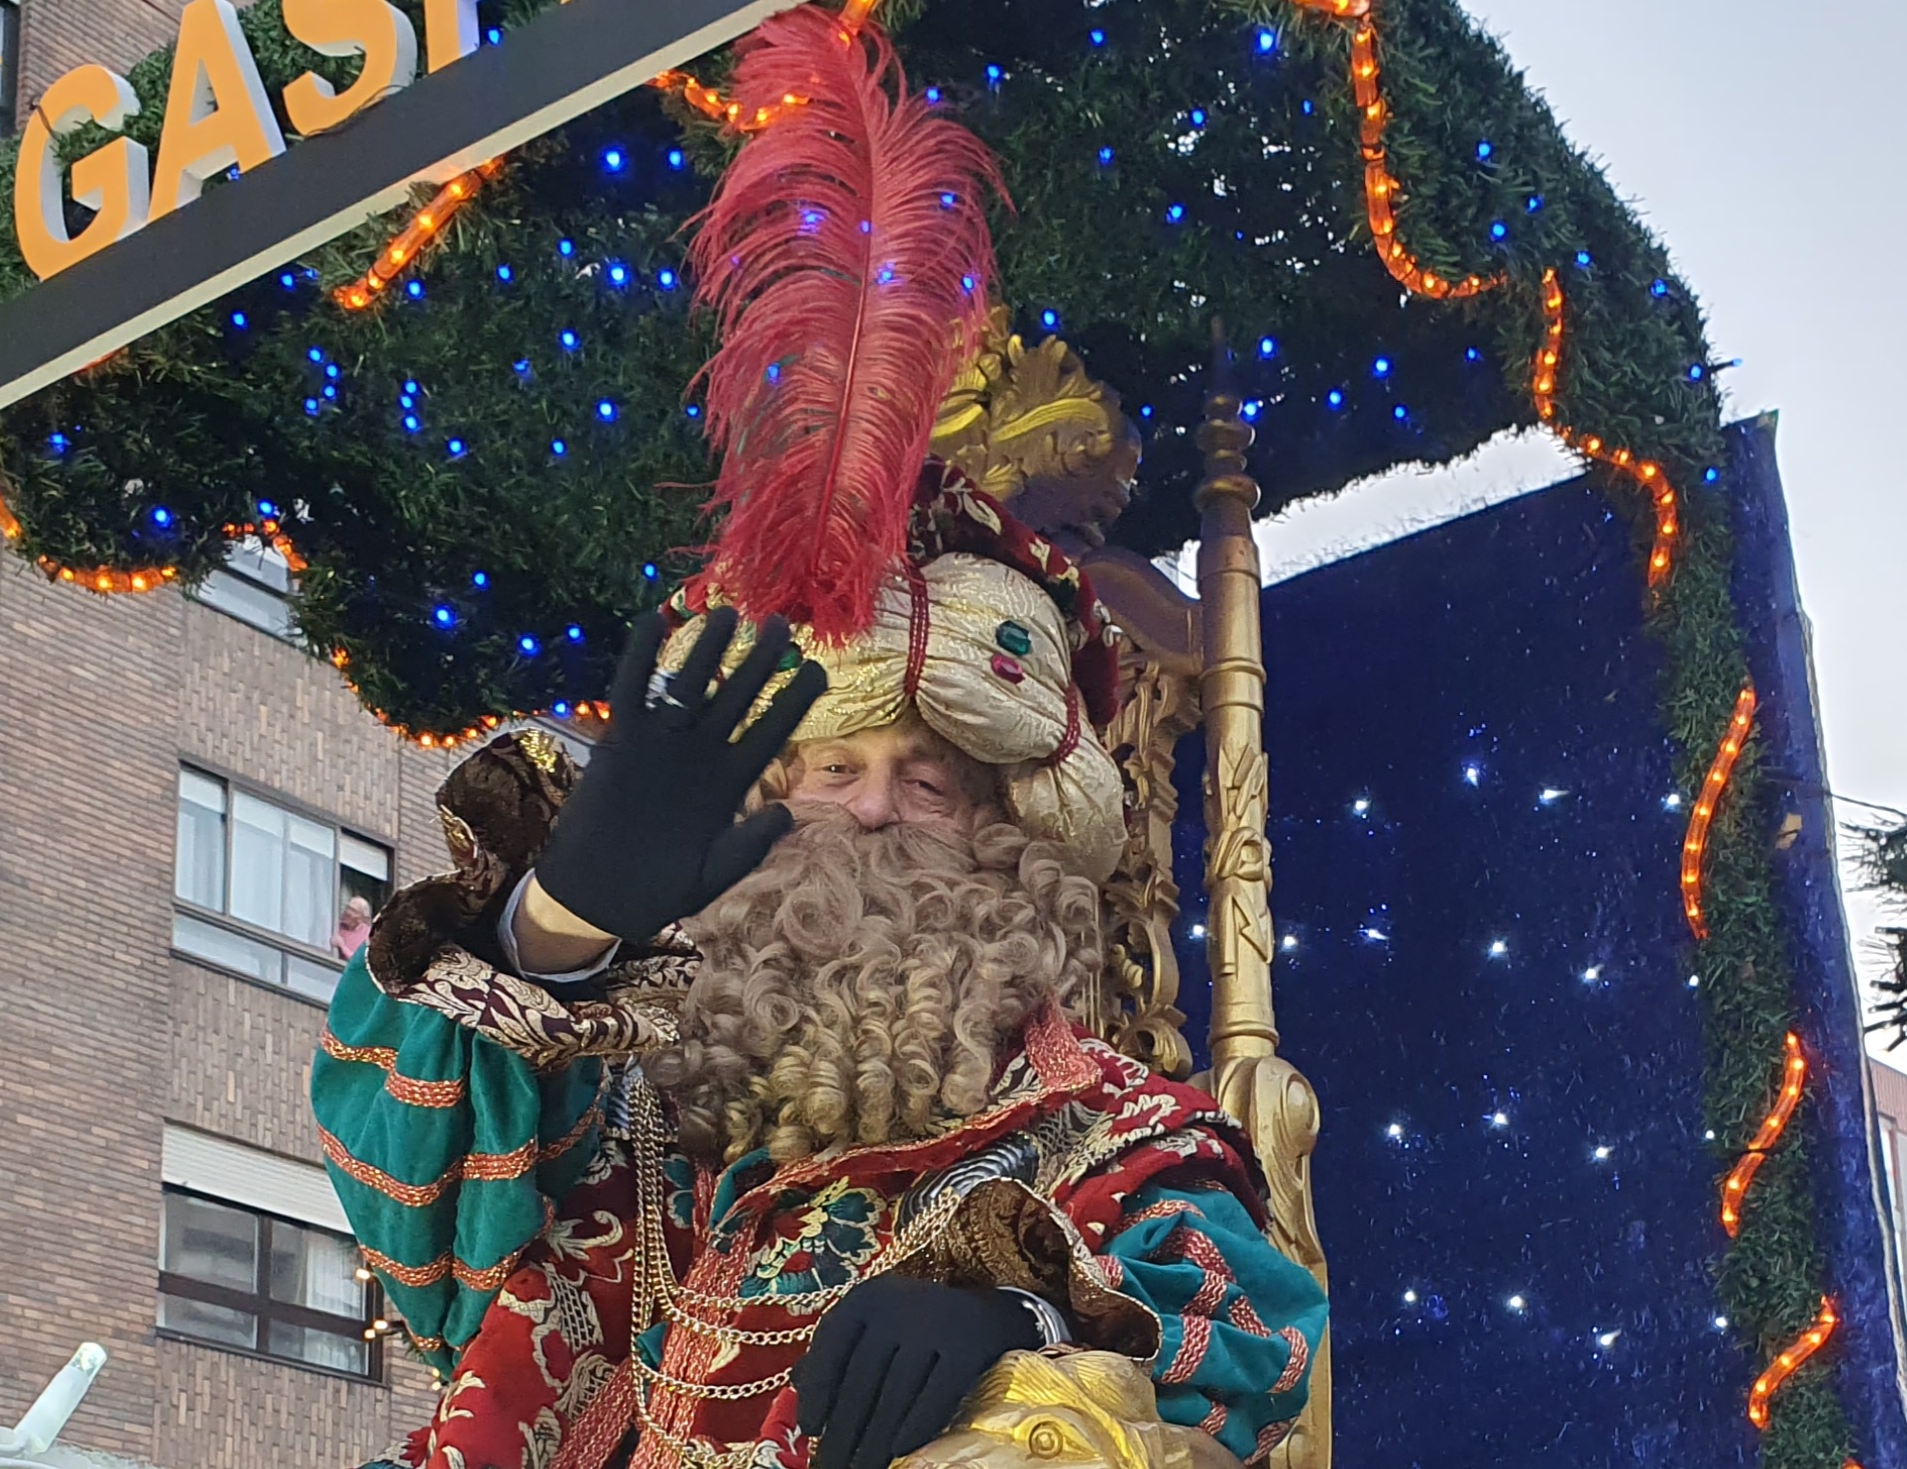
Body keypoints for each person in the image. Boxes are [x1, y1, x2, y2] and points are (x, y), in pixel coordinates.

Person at [310, 11, 1324, 1469]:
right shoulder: (646, 1145)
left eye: (925, 777)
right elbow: (419, 1239)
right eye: (830, 772)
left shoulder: (1114, 1136)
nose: (869, 814)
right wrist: (557, 924)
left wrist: (1036, 1316)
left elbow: (1250, 1337)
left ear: (1005, 833)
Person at [334, 895, 373, 960]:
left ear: (362, 918)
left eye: (353, 910)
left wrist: (342, 947)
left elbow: (360, 962)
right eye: (347, 908)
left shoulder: (368, 935)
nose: (347, 912)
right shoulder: (335, 925)